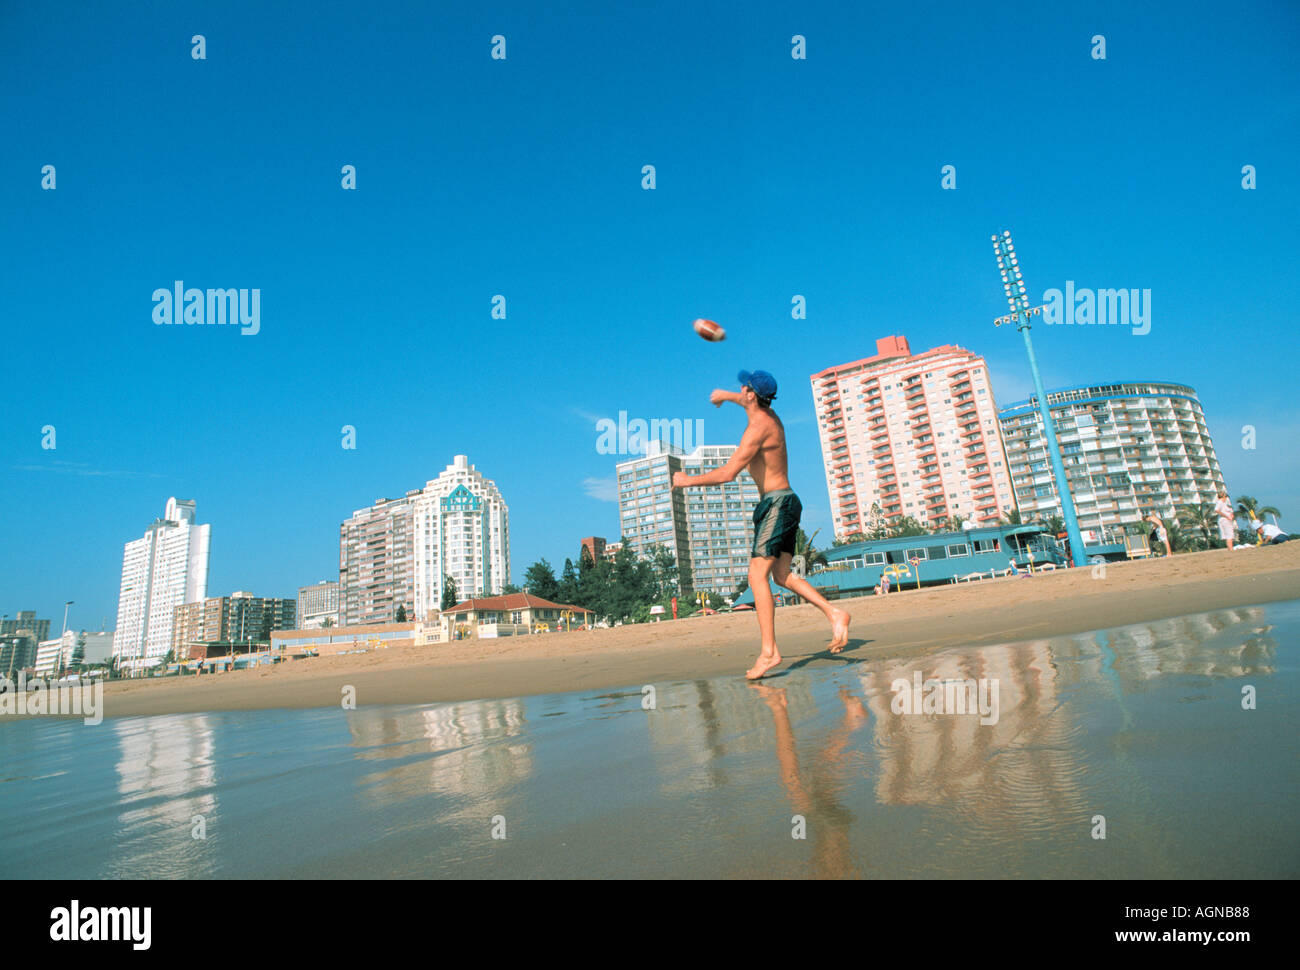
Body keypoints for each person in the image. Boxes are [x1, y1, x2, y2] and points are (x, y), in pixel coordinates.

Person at [672, 369, 851, 679]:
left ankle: (769, 652)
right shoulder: (769, 413)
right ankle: (835, 612)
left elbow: (727, 474)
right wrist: (724, 397)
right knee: (781, 576)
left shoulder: (758, 428)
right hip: (787, 501)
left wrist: (687, 480)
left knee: (757, 576)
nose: (740, 390)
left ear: (753, 394)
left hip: (776, 505)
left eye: (743, 388)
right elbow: (746, 401)